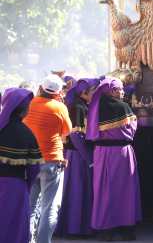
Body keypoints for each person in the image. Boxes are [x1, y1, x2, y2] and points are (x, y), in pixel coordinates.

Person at [86, 77, 141, 241]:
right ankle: (127, 230)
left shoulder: (93, 108)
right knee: (125, 191)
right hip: (122, 153)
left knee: (103, 191)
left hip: (101, 153)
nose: (123, 92)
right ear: (111, 91)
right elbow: (131, 130)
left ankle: (105, 231)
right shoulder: (124, 107)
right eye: (119, 89)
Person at [24, 74, 71, 243]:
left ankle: (28, 240)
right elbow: (66, 132)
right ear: (57, 93)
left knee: (30, 206)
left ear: (41, 88)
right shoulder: (59, 108)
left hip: (30, 161)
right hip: (52, 160)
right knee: (50, 207)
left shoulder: (28, 104)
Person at [56, 78, 99, 237]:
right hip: (77, 156)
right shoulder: (78, 107)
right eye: (93, 91)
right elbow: (75, 136)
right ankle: (75, 229)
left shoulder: (80, 105)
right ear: (83, 93)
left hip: (77, 154)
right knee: (77, 190)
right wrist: (88, 158)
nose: (95, 94)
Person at [0, 88, 42, 243]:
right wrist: (26, 187)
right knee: (13, 226)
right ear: (24, 111)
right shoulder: (27, 134)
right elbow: (34, 169)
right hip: (15, 187)